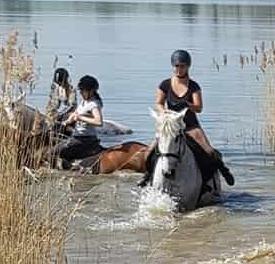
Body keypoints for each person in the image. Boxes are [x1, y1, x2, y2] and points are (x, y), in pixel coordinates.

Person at [149, 49, 235, 186]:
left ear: (188, 66)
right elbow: (158, 103)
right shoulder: (165, 84)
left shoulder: (194, 86)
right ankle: (147, 177)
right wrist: (164, 113)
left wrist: (188, 105)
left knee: (209, 151)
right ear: (173, 66)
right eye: (176, 66)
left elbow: (199, 108)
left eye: (182, 66)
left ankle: (223, 172)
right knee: (149, 152)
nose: (179, 69)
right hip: (172, 127)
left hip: (191, 126)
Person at [50, 74, 129, 170]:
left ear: (91, 91)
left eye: (83, 90)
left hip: (85, 139)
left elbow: (98, 122)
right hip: (77, 137)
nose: (81, 92)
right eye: (80, 90)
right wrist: (66, 121)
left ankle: (66, 171)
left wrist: (80, 118)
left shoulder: (94, 104)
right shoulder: (84, 101)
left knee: (52, 153)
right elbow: (75, 113)